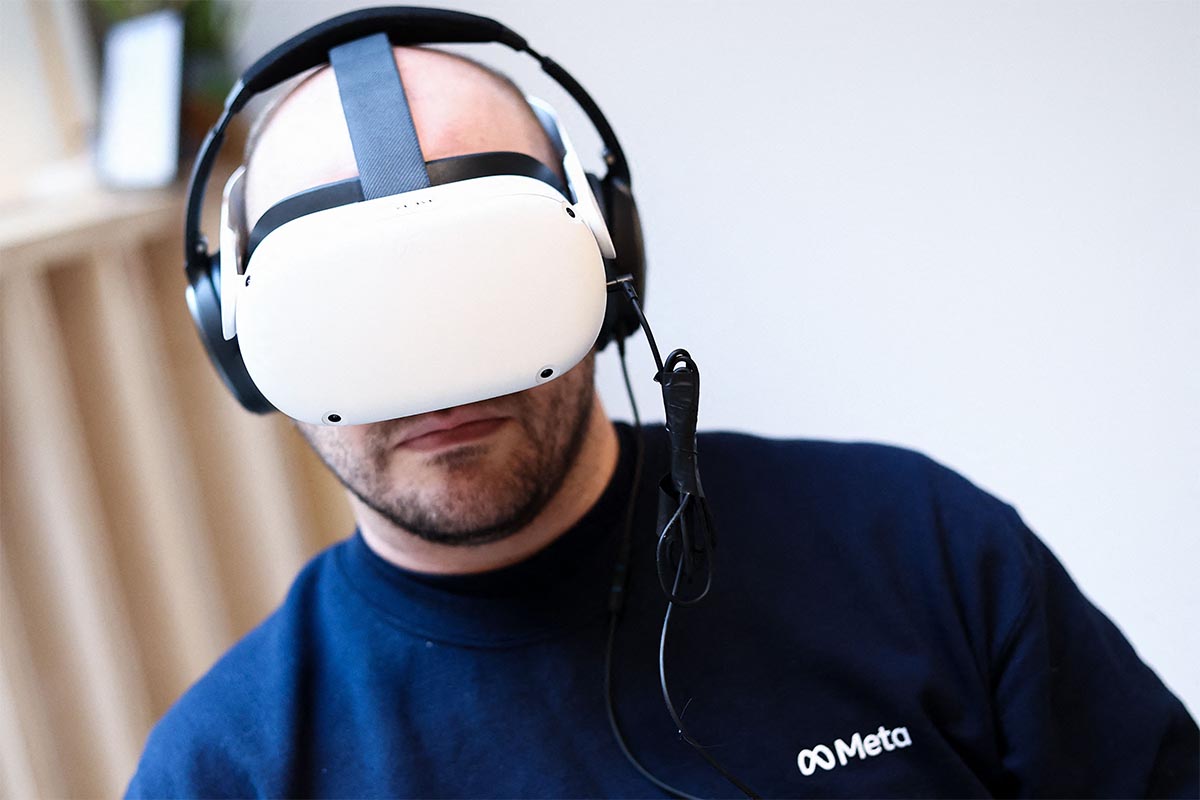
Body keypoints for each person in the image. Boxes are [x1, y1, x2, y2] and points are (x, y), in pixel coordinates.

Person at [126, 43, 1198, 799]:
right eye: (358, 312)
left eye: (482, 278)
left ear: (605, 260)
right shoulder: (229, 769)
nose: (436, 382)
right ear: (242, 335)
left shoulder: (920, 546)